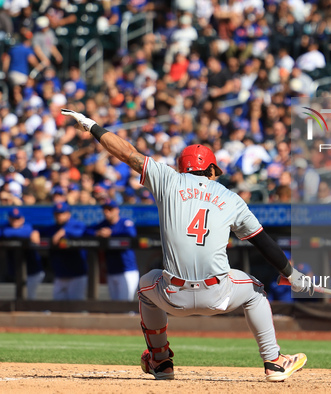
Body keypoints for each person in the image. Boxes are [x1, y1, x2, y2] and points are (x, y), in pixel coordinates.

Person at [61, 109, 310, 382]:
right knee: (256, 290)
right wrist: (291, 275)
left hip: (173, 295)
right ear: (212, 170)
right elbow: (261, 241)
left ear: (182, 167)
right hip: (218, 295)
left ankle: (160, 362)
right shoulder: (231, 197)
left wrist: (93, 127)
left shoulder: (167, 179)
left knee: (146, 287)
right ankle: (273, 361)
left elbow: (126, 153)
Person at [85, 199, 139, 301]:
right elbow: (86, 231)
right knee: (114, 305)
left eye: (110, 209)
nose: (107, 212)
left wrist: (111, 234)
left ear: (117, 210)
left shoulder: (125, 223)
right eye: (105, 209)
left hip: (127, 270)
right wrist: (97, 233)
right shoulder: (103, 224)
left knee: (125, 305)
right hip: (111, 270)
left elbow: (131, 235)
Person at [41, 202, 88, 300]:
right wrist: (35, 232)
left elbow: (83, 232)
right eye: (57, 214)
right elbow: (38, 231)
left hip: (77, 275)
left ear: (68, 214)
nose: (59, 216)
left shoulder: (77, 225)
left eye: (62, 213)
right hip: (60, 275)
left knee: (76, 308)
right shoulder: (52, 228)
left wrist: (65, 231)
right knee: (58, 308)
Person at [1, 207, 44, 299]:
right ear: (9, 219)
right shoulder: (5, 228)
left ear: (22, 219)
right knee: (19, 300)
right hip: (16, 272)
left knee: (31, 299)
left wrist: (33, 232)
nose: (15, 221)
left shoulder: (28, 226)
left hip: (33, 272)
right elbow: (6, 233)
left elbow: (27, 231)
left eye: (17, 219)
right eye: (13, 219)